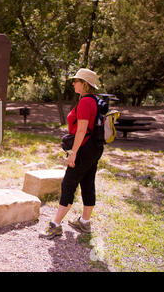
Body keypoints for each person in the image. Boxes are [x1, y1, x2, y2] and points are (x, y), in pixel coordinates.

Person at [41, 68, 104, 239]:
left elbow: (82, 129)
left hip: (83, 148)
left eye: (76, 81)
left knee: (68, 184)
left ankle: (55, 225)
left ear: (84, 84)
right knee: (88, 182)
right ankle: (85, 222)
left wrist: (73, 152)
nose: (73, 83)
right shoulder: (97, 101)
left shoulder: (85, 102)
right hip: (95, 147)